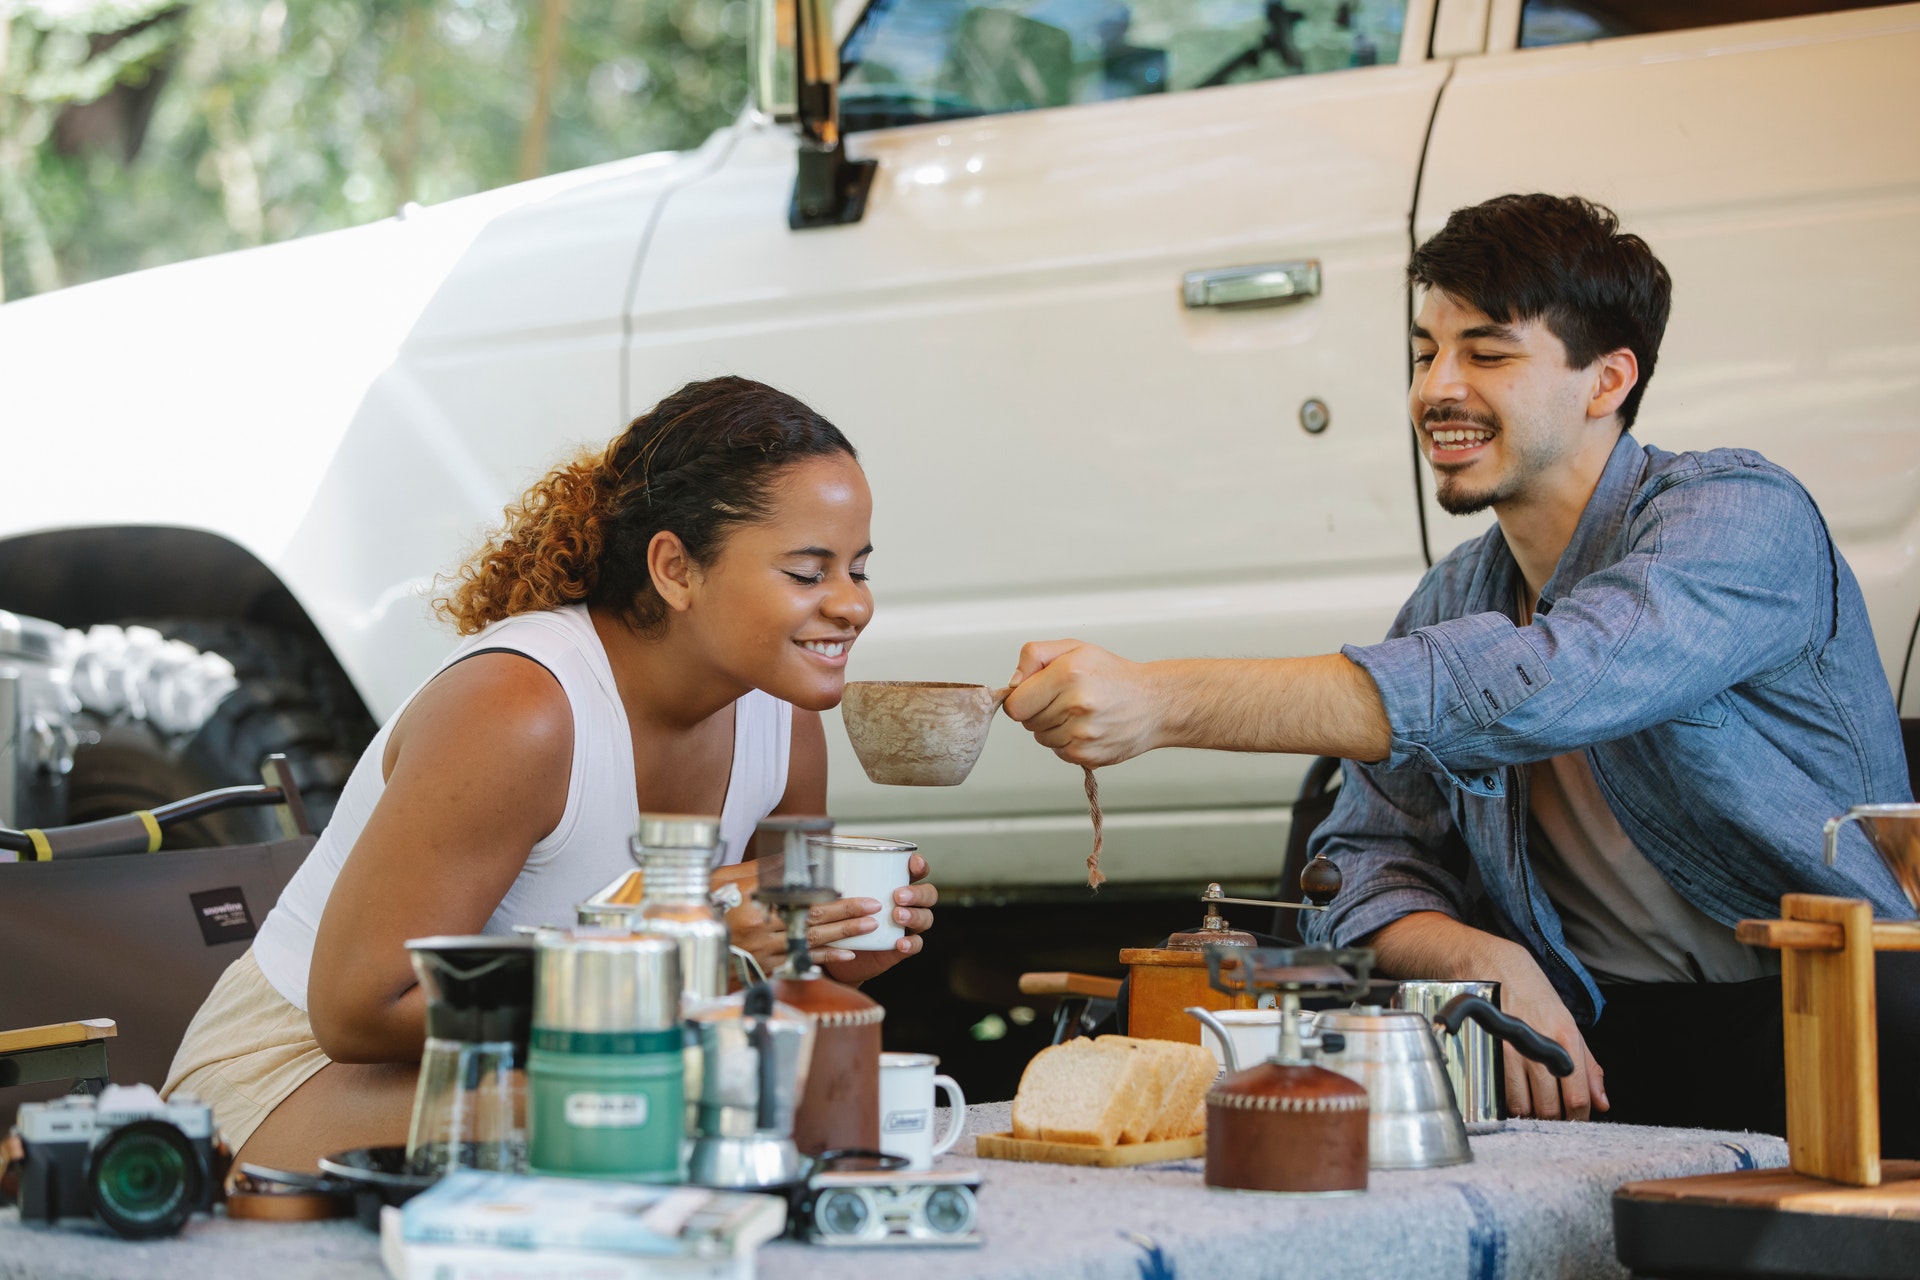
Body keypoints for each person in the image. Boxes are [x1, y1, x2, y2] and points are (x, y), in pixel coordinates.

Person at [1002, 194, 1917, 1144]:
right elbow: (1358, 859)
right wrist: (1476, 957)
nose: (1438, 388)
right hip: (1591, 1044)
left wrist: (1161, 701)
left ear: (1607, 381)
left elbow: (1548, 683)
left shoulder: (1738, 518)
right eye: (1422, 353)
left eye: (1487, 354)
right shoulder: (1453, 597)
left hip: (1832, 1026)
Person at [164, 377, 938, 1170]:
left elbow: (759, 993)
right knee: (674, 1106)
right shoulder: (521, 709)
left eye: (860, 570)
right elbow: (360, 1011)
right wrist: (678, 961)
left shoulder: (787, 725)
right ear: (674, 568)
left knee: (778, 1098)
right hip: (298, 1083)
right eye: (809, 574)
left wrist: (826, 950)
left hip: (555, 1070)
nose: (852, 606)